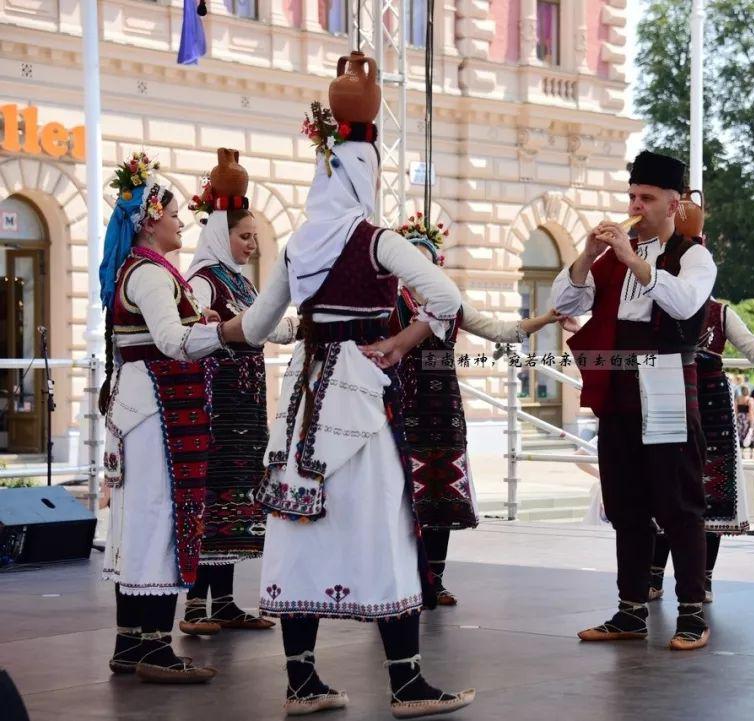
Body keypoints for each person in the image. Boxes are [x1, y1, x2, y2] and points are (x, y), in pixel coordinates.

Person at [221, 61, 474, 716]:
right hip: (360, 399)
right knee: (385, 526)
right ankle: (406, 681)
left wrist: (196, 331)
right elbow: (445, 299)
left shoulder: (299, 244)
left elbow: (252, 326)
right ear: (368, 174)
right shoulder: (377, 240)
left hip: (306, 400)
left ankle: (302, 679)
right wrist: (402, 340)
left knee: (300, 526)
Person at [552, 150, 716, 651]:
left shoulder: (694, 256)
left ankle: (692, 612)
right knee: (624, 501)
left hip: (666, 384)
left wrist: (631, 259)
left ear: (674, 202)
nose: (636, 206)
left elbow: (686, 303)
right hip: (620, 387)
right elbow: (564, 303)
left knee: (678, 502)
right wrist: (586, 253)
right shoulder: (611, 259)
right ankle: (630, 610)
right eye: (632, 197)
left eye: (647, 198)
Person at [99, 153, 222, 682]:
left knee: (143, 520)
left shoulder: (147, 273)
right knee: (158, 520)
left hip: (142, 408)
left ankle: (131, 644)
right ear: (151, 219)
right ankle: (153, 647)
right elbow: (172, 343)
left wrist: (202, 318)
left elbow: (162, 330)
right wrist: (224, 333)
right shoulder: (150, 275)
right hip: (157, 416)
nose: (180, 222)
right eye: (174, 214)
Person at [391, 233, 565, 606]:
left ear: (437, 269)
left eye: (426, 263)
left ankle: (433, 580)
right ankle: (401, 579)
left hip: (445, 412)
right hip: (403, 411)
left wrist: (546, 318)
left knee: (441, 495)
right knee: (403, 500)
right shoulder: (389, 306)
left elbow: (498, 331)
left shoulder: (451, 304)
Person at [178, 150, 297, 636]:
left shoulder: (241, 284)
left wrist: (303, 326)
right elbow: (194, 334)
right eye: (244, 236)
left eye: (253, 237)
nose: (251, 244)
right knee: (212, 499)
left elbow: (264, 327)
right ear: (220, 236)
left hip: (245, 408)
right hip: (216, 407)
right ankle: (192, 608)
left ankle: (224, 603)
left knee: (235, 505)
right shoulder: (202, 283)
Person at [649, 299, 754, 602]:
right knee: (663, 488)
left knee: (711, 495)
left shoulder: (720, 312)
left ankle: (703, 581)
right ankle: (653, 578)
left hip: (711, 403)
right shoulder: (656, 303)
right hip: (666, 393)